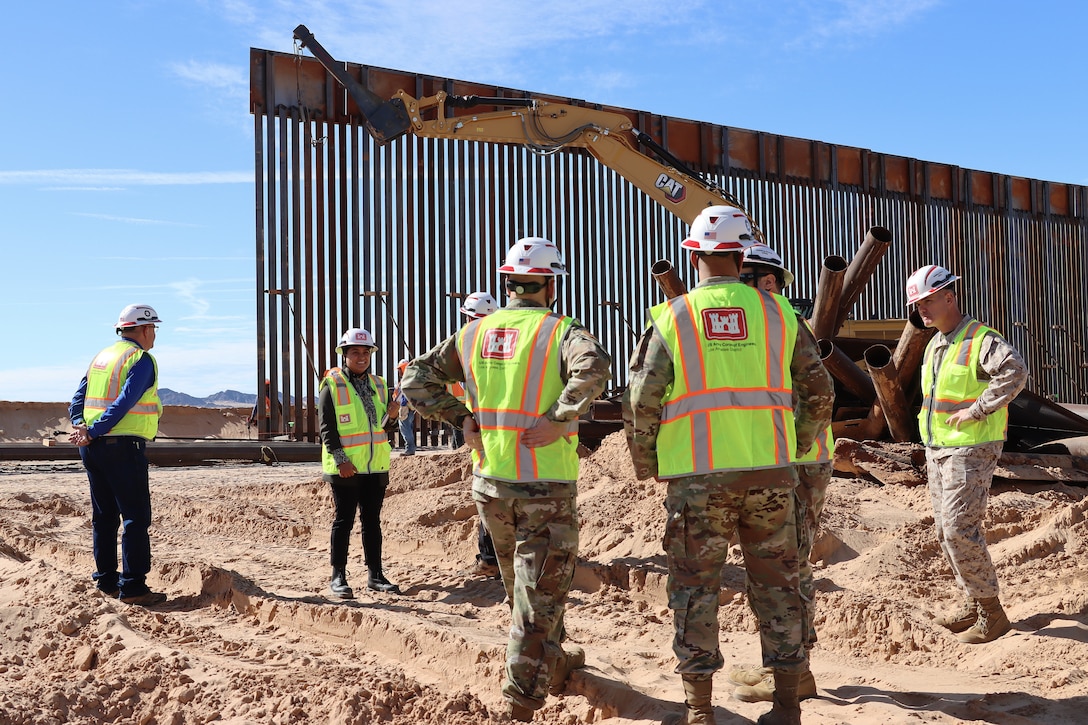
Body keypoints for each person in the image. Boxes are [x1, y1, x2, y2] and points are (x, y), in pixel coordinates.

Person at [622, 207, 834, 725]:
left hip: (698, 482)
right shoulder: (780, 314)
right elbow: (819, 391)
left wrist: (647, 462)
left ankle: (699, 711)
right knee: (779, 586)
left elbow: (641, 401)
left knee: (695, 590)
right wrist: (799, 443)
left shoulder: (672, 317)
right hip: (771, 476)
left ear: (693, 254)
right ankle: (786, 707)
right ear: (742, 256)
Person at [400, 238, 612, 722]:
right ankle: (520, 700)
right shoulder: (560, 331)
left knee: (526, 589)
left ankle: (550, 663)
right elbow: (595, 368)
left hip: (491, 483)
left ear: (509, 283)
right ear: (550, 283)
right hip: (544, 485)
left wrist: (460, 418)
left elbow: (415, 378)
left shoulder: (475, 333)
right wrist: (560, 417)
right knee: (538, 595)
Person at [729, 244, 833, 704]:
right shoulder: (773, 323)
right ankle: (788, 664)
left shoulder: (780, 324)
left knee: (787, 568)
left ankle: (794, 671)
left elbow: (815, 395)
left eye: (742, 277)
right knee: (788, 566)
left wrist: (795, 448)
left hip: (796, 461)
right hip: (790, 458)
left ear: (766, 282)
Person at [906, 264, 1027, 644]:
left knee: (960, 529)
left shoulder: (980, 338)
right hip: (940, 448)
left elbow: (1015, 372)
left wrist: (977, 410)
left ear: (949, 296)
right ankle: (973, 601)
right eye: (918, 304)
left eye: (927, 301)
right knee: (946, 531)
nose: (922, 309)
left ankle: (992, 614)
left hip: (971, 447)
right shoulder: (936, 344)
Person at [68, 304, 167, 606]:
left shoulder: (102, 357)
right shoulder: (140, 359)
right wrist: (94, 430)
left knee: (104, 517)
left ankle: (106, 582)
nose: (155, 336)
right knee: (135, 518)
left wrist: (81, 427)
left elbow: (78, 398)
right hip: (122, 447)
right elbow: (125, 401)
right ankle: (134, 587)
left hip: (93, 450)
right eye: (154, 329)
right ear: (145, 328)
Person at [318, 327, 403, 598]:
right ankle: (338, 576)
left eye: (366, 352)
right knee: (343, 521)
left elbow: (384, 427)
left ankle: (375, 576)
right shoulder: (331, 385)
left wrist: (392, 415)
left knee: (372, 521)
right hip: (346, 468)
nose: (361, 357)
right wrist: (341, 460)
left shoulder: (379, 384)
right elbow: (327, 428)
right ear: (344, 354)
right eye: (355, 352)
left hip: (375, 465)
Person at [456, 291, 501, 578]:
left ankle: (490, 560)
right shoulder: (506, 346)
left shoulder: (471, 348)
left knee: (489, 497)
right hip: (506, 433)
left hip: (487, 435)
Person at [395, 359, 417, 456]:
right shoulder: (412, 378)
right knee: (408, 427)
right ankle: (410, 448)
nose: (399, 371)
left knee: (405, 428)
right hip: (410, 408)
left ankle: (410, 449)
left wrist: (403, 404)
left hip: (405, 407)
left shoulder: (406, 379)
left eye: (400, 369)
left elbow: (404, 394)